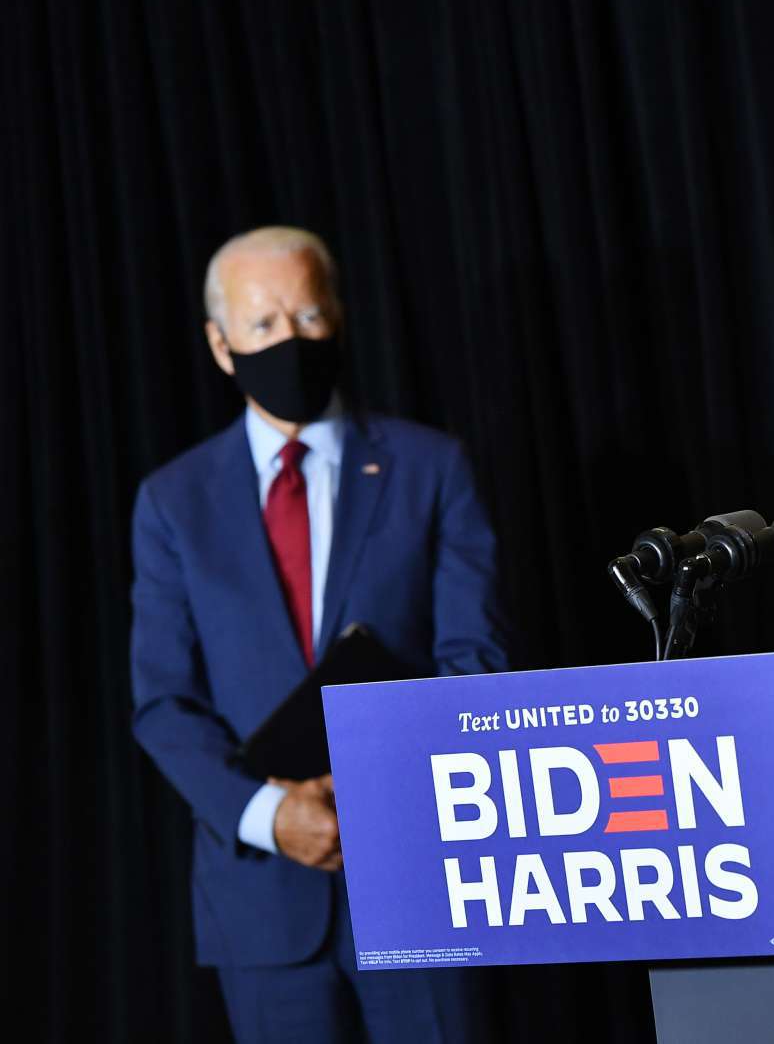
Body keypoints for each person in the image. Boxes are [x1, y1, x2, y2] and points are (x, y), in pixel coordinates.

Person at [130, 226, 508, 1044]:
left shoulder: (430, 466)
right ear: (221, 345)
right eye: (263, 325)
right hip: (262, 905)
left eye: (307, 314)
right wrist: (269, 813)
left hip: (420, 878)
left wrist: (387, 793)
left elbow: (472, 660)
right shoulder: (173, 501)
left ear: (338, 313)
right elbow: (164, 702)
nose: (290, 339)